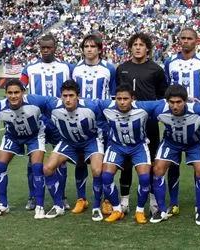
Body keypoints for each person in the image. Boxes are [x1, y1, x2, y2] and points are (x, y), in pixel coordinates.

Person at [163, 27, 200, 217]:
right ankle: (174, 203)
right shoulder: (170, 62)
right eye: (182, 38)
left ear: (196, 41)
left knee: (198, 163)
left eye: (189, 38)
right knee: (172, 162)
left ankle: (199, 205)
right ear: (179, 40)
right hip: (175, 117)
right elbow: (168, 88)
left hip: (197, 119)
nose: (186, 41)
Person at [115, 33, 167, 215]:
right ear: (130, 47)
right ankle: (125, 200)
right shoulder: (122, 69)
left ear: (148, 49)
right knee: (126, 160)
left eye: (142, 44)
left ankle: (153, 200)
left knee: (151, 160)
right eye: (135, 44)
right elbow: (118, 94)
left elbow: (162, 97)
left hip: (149, 123)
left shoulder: (156, 70)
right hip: (126, 123)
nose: (138, 47)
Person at [20, 33, 72, 211]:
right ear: (39, 48)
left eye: (49, 47)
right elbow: (20, 88)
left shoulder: (66, 67)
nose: (46, 50)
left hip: (59, 121)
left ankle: (62, 196)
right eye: (43, 47)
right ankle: (33, 196)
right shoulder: (29, 69)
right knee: (33, 161)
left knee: (61, 161)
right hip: (37, 121)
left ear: (55, 47)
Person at [42, 80, 105, 220]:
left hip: (90, 141)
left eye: (71, 95)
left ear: (78, 96)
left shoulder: (90, 107)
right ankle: (58, 205)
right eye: (65, 96)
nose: (68, 99)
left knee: (97, 170)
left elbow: (103, 123)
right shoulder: (53, 107)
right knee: (47, 168)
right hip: (68, 142)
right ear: (61, 96)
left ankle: (96, 206)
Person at [149, 85, 200, 226]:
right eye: (172, 102)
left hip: (194, 143)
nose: (175, 106)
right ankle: (162, 209)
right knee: (158, 169)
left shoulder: (198, 109)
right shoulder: (160, 109)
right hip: (171, 142)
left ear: (185, 101)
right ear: (167, 102)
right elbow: (142, 107)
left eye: (179, 102)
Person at [0, 79, 49, 219]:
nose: (13, 96)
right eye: (10, 93)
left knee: (37, 167)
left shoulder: (35, 101)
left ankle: (39, 205)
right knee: (0, 164)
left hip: (34, 136)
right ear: (6, 94)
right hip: (12, 136)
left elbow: (51, 105)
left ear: (23, 92)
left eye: (16, 92)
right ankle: (3, 204)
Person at [71, 34, 116, 215]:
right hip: (80, 121)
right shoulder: (75, 70)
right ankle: (82, 198)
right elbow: (71, 95)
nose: (89, 49)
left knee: (103, 162)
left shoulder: (109, 69)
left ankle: (106, 199)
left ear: (99, 49)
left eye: (93, 46)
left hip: (102, 121)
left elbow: (113, 95)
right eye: (86, 46)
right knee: (80, 159)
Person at [99, 84, 156, 224]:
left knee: (144, 178)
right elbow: (87, 102)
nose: (122, 102)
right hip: (116, 146)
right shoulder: (107, 107)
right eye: (119, 98)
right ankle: (117, 209)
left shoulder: (143, 108)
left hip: (138, 146)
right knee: (106, 176)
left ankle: (140, 211)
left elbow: (165, 102)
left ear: (133, 99)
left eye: (126, 98)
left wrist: (189, 99)